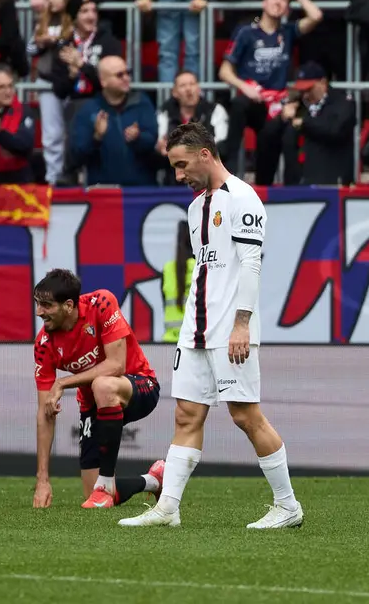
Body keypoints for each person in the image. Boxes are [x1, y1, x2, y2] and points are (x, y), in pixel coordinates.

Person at [120, 123, 304, 530]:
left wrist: (242, 324)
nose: (178, 175)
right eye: (174, 167)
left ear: (206, 154)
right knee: (186, 415)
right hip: (196, 329)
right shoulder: (194, 206)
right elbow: (208, 269)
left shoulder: (243, 198)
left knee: (245, 416)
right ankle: (168, 508)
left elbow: (252, 264)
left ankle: (288, 506)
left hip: (230, 329)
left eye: (182, 165)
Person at [30, 268, 165, 508]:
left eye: (46, 305)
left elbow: (116, 365)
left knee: (102, 384)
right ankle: (153, 480)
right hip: (94, 403)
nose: (39, 312)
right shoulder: (43, 344)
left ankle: (105, 482)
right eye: (37, 304)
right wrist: (42, 479)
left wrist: (62, 382)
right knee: (91, 494)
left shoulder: (101, 303)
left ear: (68, 305)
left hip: (139, 385)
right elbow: (45, 412)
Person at [220, 0, 323, 182]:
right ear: (263, 2)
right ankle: (227, 167)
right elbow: (224, 71)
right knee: (239, 105)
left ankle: (263, 185)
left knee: (273, 134)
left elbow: (316, 16)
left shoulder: (288, 31)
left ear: (286, 9)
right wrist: (244, 87)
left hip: (277, 105)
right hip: (254, 100)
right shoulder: (246, 32)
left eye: (284, 0)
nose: (278, 2)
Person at [70, 56, 159, 187]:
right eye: (119, 75)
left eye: (127, 73)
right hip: (104, 193)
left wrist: (138, 137)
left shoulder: (141, 102)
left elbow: (153, 142)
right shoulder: (89, 110)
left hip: (141, 190)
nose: (126, 78)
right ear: (103, 81)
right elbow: (78, 155)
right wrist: (97, 137)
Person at [29, 0, 77, 186]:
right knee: (52, 134)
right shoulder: (44, 20)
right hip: (47, 82)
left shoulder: (76, 19)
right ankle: (52, 178)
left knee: (74, 133)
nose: (52, 0)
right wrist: (40, 42)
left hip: (72, 82)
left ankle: (74, 176)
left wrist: (57, 42)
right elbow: (29, 51)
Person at [279, 63, 358, 186]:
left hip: (332, 182)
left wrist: (304, 123)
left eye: (309, 89)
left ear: (323, 82)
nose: (305, 94)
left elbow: (336, 130)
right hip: (297, 182)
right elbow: (269, 138)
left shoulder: (343, 102)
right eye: (302, 90)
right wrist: (282, 118)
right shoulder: (296, 105)